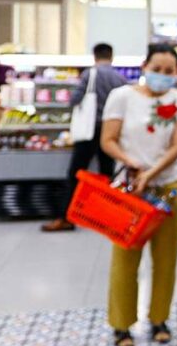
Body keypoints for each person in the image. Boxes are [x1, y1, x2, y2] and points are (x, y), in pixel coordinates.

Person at [101, 44, 177, 346]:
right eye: (157, 69)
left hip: (169, 186)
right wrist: (131, 164)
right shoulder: (122, 97)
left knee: (165, 260)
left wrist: (150, 174)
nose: (163, 76)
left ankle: (159, 319)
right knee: (125, 257)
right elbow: (108, 140)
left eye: (169, 71)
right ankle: (121, 324)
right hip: (129, 189)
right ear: (144, 66)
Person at [43, 42, 128, 232]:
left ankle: (66, 217)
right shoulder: (120, 78)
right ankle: (106, 217)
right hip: (110, 132)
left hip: (89, 131)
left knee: (76, 173)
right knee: (107, 175)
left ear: (95, 57)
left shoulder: (90, 74)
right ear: (111, 56)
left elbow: (75, 99)